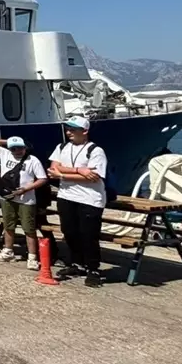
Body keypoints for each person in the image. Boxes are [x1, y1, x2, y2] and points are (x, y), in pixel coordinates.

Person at [48, 116, 109, 287]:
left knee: (89, 235)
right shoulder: (62, 147)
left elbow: (93, 176)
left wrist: (62, 175)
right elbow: (53, 167)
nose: (69, 133)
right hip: (67, 195)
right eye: (68, 129)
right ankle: (76, 263)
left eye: (73, 130)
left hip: (89, 198)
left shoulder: (96, 151)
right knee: (69, 231)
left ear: (84, 131)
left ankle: (93, 269)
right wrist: (79, 170)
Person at [0, 136, 49, 268]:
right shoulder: (5, 153)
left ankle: (32, 256)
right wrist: (8, 141)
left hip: (26, 199)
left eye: (20, 148)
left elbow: (42, 179)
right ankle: (8, 251)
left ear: (25, 148)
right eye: (14, 148)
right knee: (9, 225)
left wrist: (26, 189)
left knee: (29, 228)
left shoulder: (33, 160)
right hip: (7, 197)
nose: (17, 151)